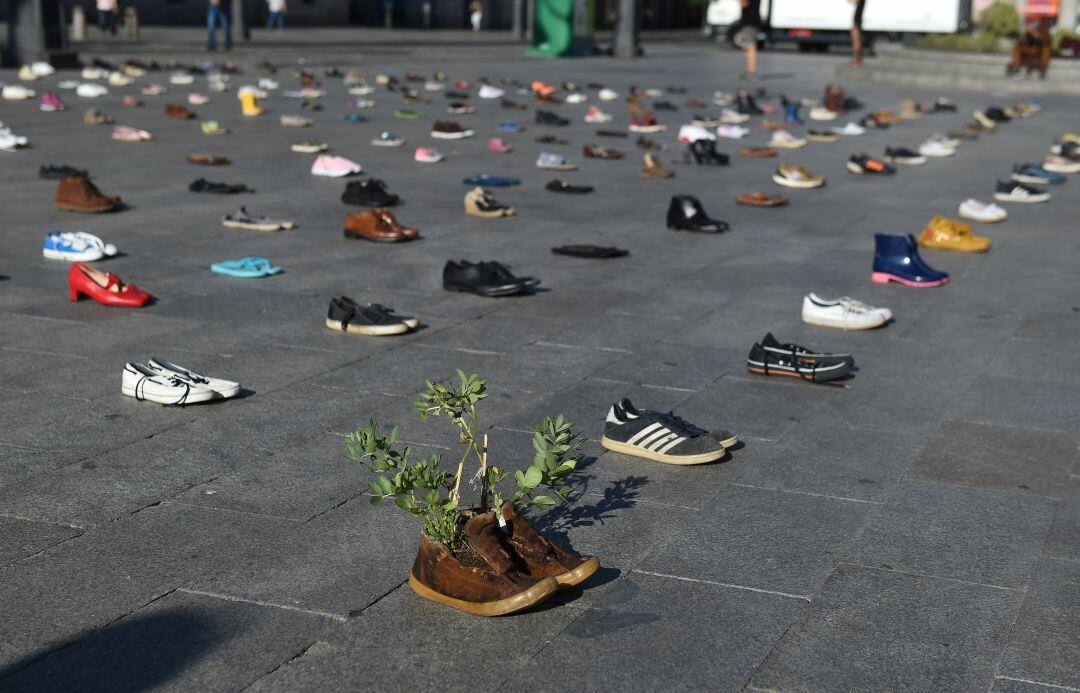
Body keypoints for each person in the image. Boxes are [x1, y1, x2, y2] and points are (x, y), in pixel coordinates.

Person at [735, 0, 761, 81]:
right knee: (746, 47)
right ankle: (749, 71)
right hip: (752, 22)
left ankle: (751, 72)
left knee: (750, 47)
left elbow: (743, 3)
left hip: (749, 22)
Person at [850, 0, 866, 66]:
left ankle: (858, 61)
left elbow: (852, 1)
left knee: (856, 43)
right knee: (856, 42)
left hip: (857, 22)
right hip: (857, 22)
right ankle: (858, 60)